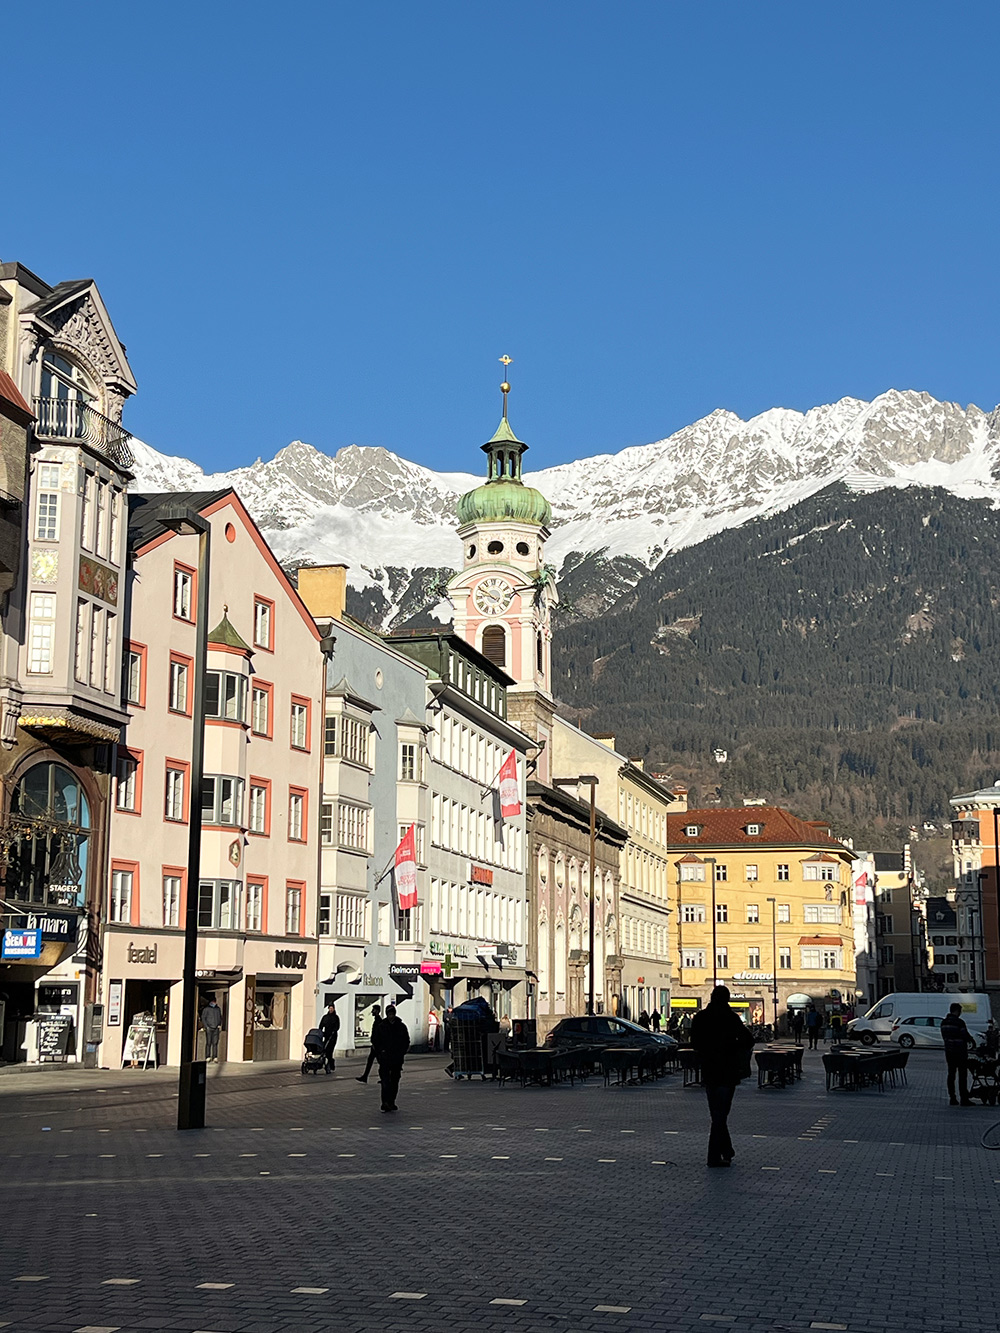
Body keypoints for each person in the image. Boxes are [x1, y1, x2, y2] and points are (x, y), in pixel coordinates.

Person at [690, 986, 755, 1168]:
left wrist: (706, 1050)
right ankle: (713, 1156)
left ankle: (726, 1149)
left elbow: (694, 1042)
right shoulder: (731, 1018)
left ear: (711, 997)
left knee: (716, 1114)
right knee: (720, 1115)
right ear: (727, 999)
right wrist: (733, 1048)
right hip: (728, 1070)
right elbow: (748, 1040)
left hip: (710, 1069)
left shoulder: (701, 1018)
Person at [374, 1003, 410, 1112]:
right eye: (389, 1014)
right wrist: (380, 1053)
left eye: (392, 1014)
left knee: (394, 1081)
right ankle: (385, 1102)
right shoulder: (382, 1026)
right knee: (385, 1081)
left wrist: (402, 1052)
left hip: (397, 1058)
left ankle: (391, 1101)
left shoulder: (401, 1026)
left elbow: (406, 1041)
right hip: (385, 1058)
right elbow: (376, 1041)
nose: (391, 1016)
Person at [941, 1002, 973, 1106]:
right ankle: (964, 1098)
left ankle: (952, 1097)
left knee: (951, 1074)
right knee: (962, 1075)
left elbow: (944, 1036)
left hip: (949, 1051)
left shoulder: (943, 1023)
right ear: (957, 1011)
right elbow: (964, 1035)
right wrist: (971, 1040)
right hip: (960, 1052)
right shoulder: (960, 1022)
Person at [356, 1004, 383, 1083]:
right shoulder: (377, 1020)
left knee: (381, 1062)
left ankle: (384, 1077)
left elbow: (378, 1034)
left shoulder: (379, 1021)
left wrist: (376, 1044)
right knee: (371, 1061)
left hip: (377, 1046)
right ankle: (365, 1076)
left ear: (377, 1011)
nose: (372, 1012)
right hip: (375, 1045)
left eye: (373, 1010)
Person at [200, 997, 223, 1063]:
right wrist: (206, 1026)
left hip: (216, 1028)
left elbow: (220, 1017)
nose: (213, 1003)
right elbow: (203, 1018)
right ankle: (208, 1056)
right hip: (209, 1028)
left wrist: (219, 1025)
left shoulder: (218, 1009)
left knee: (215, 1043)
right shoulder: (206, 1009)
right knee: (208, 1043)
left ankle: (215, 1057)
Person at [319, 1003, 340, 1071]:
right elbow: (321, 1025)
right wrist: (320, 1032)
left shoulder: (336, 1017)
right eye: (330, 1008)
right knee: (324, 1050)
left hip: (333, 1037)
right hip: (326, 1035)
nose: (331, 1010)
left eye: (332, 1008)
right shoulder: (325, 1017)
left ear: (334, 1009)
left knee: (329, 1051)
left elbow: (337, 1026)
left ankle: (331, 1063)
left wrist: (334, 1031)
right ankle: (327, 1062)